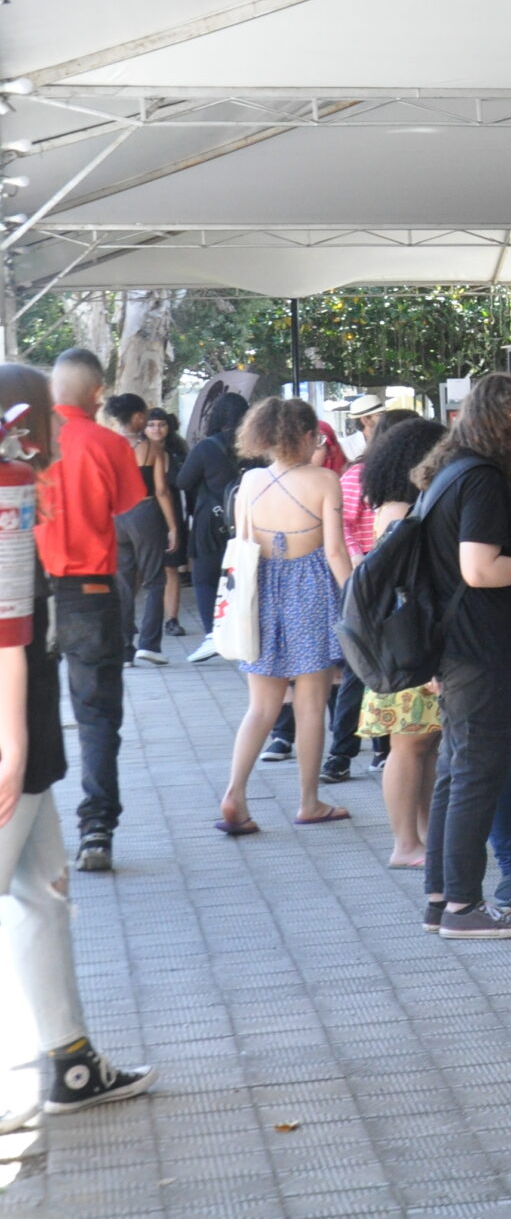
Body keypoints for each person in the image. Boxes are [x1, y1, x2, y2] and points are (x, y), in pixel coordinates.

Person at [0, 368, 157, 1122]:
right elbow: (6, 630)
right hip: (18, 727)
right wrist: (14, 742)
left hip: (24, 724)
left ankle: (68, 1059)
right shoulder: (9, 484)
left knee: (44, 893)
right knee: (33, 889)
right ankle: (60, 1062)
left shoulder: (23, 479)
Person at [415, 375, 511, 939]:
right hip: (480, 646)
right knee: (477, 772)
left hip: (462, 644)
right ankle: (462, 906)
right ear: (488, 418)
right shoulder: (481, 479)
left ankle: (440, 899)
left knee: (458, 772)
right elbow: (480, 569)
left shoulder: (452, 471)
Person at [213, 399, 356, 835]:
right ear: (308, 436)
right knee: (312, 705)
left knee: (261, 706)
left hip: (261, 590)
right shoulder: (325, 480)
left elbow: (242, 544)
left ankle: (234, 793)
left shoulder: (250, 481)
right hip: (310, 590)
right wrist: (357, 600)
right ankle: (308, 801)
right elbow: (334, 552)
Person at [35, 349, 147, 875]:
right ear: (98, 393)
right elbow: (129, 509)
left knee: (22, 711)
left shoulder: (24, 446)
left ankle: (29, 832)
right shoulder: (108, 444)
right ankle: (96, 829)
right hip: (92, 594)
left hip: (27, 594)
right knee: (98, 717)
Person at [354, 417, 447, 869]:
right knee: (408, 746)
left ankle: (423, 835)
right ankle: (404, 842)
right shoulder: (400, 513)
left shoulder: (398, 507)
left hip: (408, 642)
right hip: (406, 645)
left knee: (422, 745)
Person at [325, 408, 418, 782]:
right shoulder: (357, 475)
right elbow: (343, 528)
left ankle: (383, 748)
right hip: (366, 585)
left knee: (384, 670)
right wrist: (356, 569)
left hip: (393, 588)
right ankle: (341, 753)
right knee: (357, 671)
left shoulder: (412, 482)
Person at [102, 393, 179, 668]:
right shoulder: (152, 449)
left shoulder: (107, 445)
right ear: (136, 417)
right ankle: (149, 644)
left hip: (115, 516)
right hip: (144, 513)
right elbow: (160, 490)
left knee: (122, 584)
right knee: (154, 579)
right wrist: (172, 527)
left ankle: (124, 650)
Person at [176, 390, 248, 663]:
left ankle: (212, 636)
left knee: (205, 578)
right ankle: (242, 634)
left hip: (211, 522)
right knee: (241, 577)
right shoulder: (253, 446)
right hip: (245, 521)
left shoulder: (206, 448)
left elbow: (183, 481)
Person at [147, 409, 189, 642]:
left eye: (160, 424)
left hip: (173, 514)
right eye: (151, 424)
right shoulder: (137, 451)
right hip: (145, 516)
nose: (156, 429)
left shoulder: (177, 453)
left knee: (171, 569)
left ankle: (171, 619)